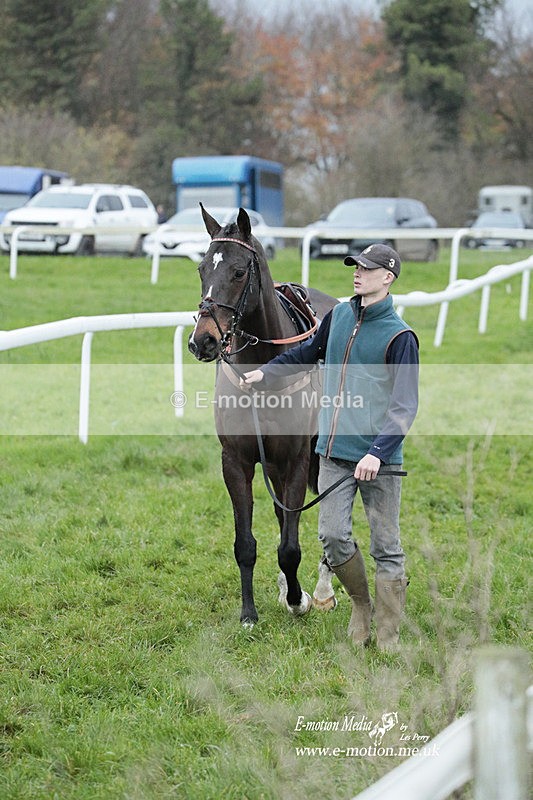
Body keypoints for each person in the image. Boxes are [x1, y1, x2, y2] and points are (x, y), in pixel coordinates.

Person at [241, 243, 419, 650]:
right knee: (333, 536)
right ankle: (361, 605)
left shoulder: (400, 336)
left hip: (380, 460)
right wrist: (264, 375)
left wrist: (378, 451)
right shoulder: (338, 315)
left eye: (367, 269)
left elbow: (405, 405)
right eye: (356, 266)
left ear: (387, 278)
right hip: (333, 452)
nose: (358, 273)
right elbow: (306, 353)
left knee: (385, 547)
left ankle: (389, 635)